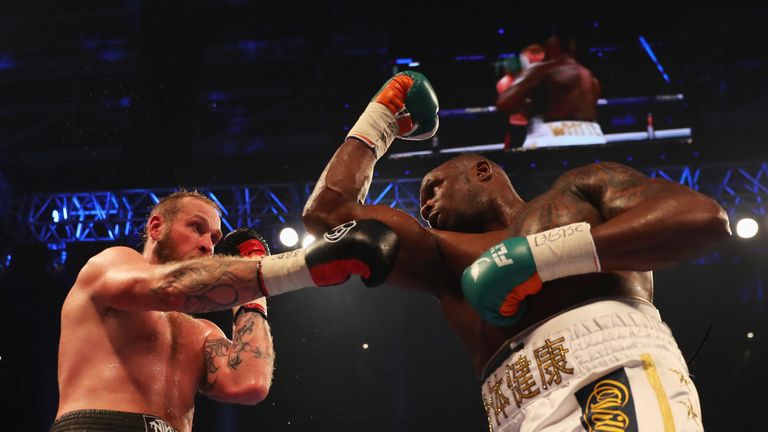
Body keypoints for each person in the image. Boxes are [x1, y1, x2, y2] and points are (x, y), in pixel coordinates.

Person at [302, 71, 732, 431]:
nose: (426, 209)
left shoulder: (578, 193)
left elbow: (702, 218)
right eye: (422, 205)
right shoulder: (442, 258)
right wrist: (384, 115)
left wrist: (542, 257)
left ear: (483, 171)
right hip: (514, 408)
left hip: (612, 369)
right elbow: (328, 213)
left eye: (433, 189)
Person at [51, 190, 399, 432]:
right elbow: (171, 288)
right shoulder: (112, 264)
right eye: (196, 227)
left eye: (215, 239)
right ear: (156, 227)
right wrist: (297, 267)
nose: (208, 244)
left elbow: (248, 384)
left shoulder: (199, 332)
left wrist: (251, 296)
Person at [496, 32, 604, 149]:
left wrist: (526, 103)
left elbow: (504, 103)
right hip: (594, 138)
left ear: (548, 50)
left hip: (552, 138)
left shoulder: (540, 70)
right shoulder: (591, 78)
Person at [495, 44, 545, 150]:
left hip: (536, 124)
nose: (535, 66)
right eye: (532, 62)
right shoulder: (506, 81)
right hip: (517, 123)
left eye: (538, 63)